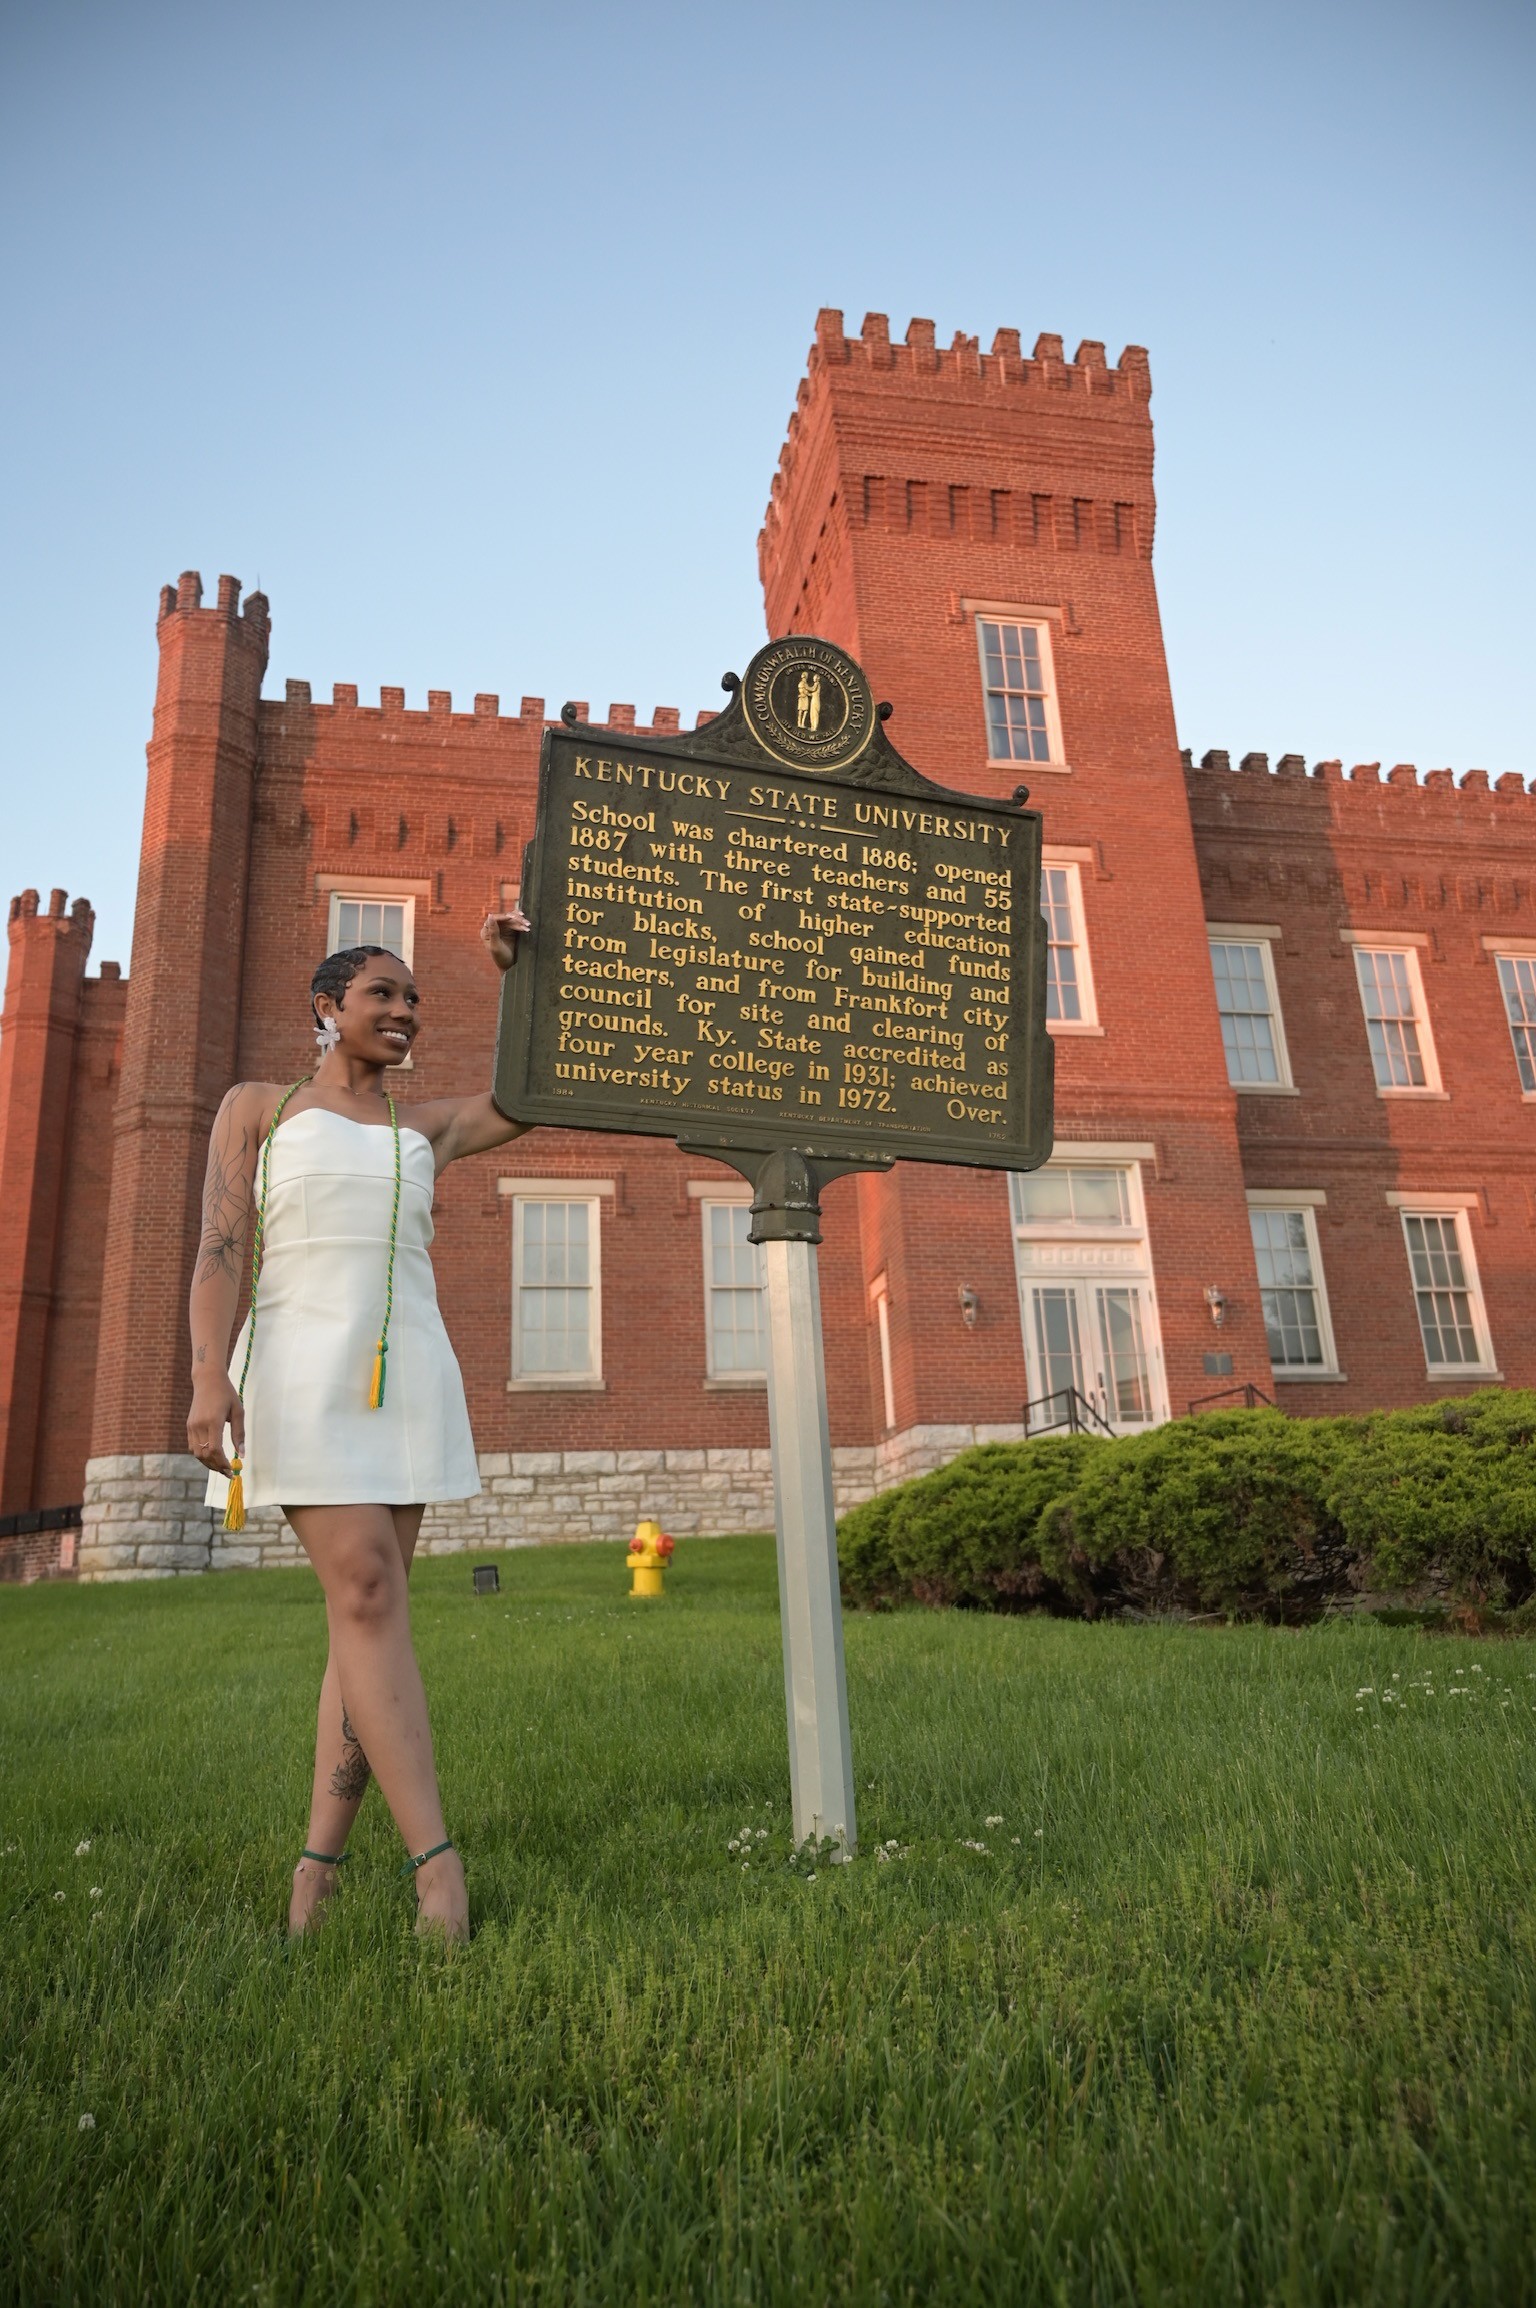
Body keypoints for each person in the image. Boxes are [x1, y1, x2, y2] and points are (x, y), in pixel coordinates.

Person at [187, 911, 529, 1941]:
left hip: (407, 1378)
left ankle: (315, 1876)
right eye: (384, 992)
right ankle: (437, 1868)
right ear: (327, 1008)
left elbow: (529, 1097)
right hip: (295, 1371)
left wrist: (516, 978)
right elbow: (217, 1251)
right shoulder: (259, 1107)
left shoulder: (423, 1129)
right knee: (371, 1591)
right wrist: (210, 1375)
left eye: (415, 998)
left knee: (362, 1621)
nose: (405, 1011)